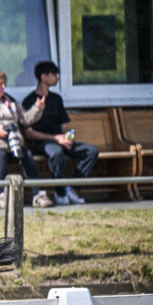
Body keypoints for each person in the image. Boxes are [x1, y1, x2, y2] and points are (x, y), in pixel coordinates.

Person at [0, 70, 52, 209]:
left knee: (27, 155)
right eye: (0, 84)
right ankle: (0, 197)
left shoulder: (10, 101)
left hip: (12, 143)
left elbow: (25, 119)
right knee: (0, 156)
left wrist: (37, 108)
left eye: (4, 84)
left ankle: (38, 195)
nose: (3, 87)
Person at [21, 61, 98, 205]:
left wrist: (69, 138)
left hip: (60, 140)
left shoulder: (57, 99)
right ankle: (60, 193)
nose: (57, 77)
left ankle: (71, 188)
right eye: (54, 74)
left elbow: (65, 127)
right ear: (44, 77)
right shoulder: (29, 101)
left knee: (91, 151)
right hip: (41, 143)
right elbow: (29, 133)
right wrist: (56, 138)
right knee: (57, 153)